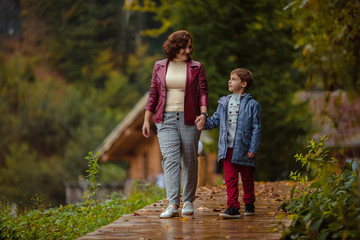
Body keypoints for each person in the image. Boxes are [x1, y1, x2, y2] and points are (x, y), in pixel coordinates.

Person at [142, 30, 208, 218]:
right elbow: (153, 94)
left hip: (190, 118)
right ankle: (172, 203)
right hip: (165, 119)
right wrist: (147, 119)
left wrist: (203, 114)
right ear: (174, 47)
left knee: (188, 160)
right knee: (170, 159)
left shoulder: (197, 67)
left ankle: (187, 201)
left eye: (189, 47)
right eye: (184, 47)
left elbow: (203, 92)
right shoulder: (159, 66)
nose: (188, 50)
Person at [196, 68, 261, 218]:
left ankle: (249, 202)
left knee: (247, 178)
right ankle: (233, 207)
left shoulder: (253, 105)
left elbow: (256, 128)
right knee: (230, 178)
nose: (229, 81)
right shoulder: (224, 102)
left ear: (243, 83)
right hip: (227, 148)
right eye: (230, 78)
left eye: (233, 79)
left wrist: (253, 148)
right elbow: (214, 121)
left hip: (245, 149)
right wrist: (203, 123)